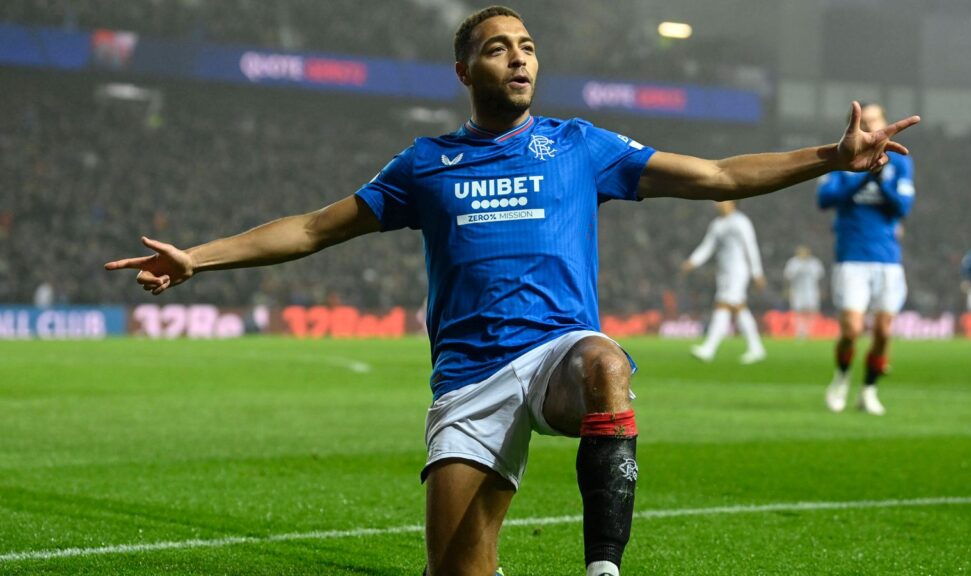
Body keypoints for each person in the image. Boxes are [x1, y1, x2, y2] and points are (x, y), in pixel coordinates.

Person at [106, 7, 919, 575]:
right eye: (499, 48)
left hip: (556, 352)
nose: (520, 57)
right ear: (465, 70)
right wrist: (198, 259)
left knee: (607, 363)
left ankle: (603, 566)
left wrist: (830, 154)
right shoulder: (425, 164)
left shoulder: (580, 145)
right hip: (469, 381)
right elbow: (316, 229)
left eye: (528, 45)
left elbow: (713, 175)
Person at [818, 103, 916, 416]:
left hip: (887, 259)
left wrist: (882, 179)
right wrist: (863, 175)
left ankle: (869, 390)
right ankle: (841, 379)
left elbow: (902, 207)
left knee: (884, 332)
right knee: (850, 331)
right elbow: (824, 199)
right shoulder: (840, 159)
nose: (871, 128)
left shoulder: (899, 164)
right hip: (852, 257)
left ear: (885, 124)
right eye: (865, 123)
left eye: (875, 121)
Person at [683, 200, 767, 364]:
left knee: (723, 305)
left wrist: (757, 272)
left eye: (722, 200)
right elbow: (707, 246)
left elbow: (751, 246)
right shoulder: (717, 224)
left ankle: (709, 348)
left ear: (733, 203)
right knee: (738, 308)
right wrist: (693, 261)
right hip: (723, 273)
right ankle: (756, 348)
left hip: (739, 271)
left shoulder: (741, 221)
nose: (717, 203)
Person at [783, 245, 825, 339]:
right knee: (798, 312)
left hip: (811, 292)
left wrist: (821, 291)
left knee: (811, 312)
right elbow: (787, 278)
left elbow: (820, 278)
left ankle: (808, 331)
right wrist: (787, 290)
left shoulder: (814, 263)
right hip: (797, 292)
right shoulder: (793, 263)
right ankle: (800, 332)